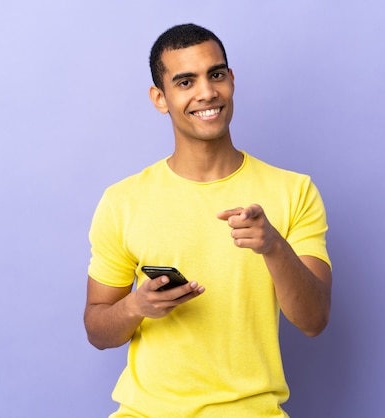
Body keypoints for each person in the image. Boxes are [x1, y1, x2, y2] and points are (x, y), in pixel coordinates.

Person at [84, 23, 332, 417]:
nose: (206, 92)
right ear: (160, 98)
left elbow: (314, 320)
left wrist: (274, 247)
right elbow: (97, 329)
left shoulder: (294, 191)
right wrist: (136, 306)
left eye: (215, 75)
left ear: (231, 80)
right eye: (185, 81)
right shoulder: (122, 201)